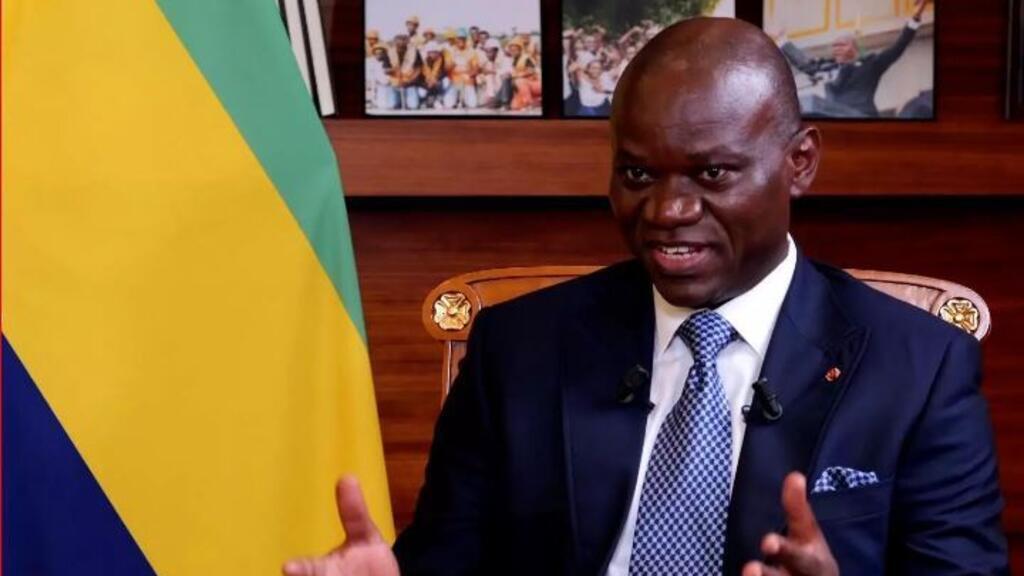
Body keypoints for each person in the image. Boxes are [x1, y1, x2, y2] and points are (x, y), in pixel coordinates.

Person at [285, 17, 1007, 575]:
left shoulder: (919, 368)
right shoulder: (519, 350)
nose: (667, 211)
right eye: (637, 175)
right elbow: (450, 560)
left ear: (799, 163)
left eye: (712, 174)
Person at [776, 0, 931, 118]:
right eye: (834, 46)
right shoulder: (826, 67)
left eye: (841, 45)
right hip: (832, 116)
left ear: (855, 48)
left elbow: (899, 46)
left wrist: (915, 17)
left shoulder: (871, 64)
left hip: (861, 116)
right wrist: (782, 41)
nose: (836, 49)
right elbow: (804, 63)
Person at [444, 29, 479, 109]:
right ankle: (456, 98)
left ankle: (462, 99)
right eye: (459, 38)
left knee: (472, 105)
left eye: (463, 38)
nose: (461, 40)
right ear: (455, 39)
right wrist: (453, 62)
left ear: (466, 39)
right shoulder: (450, 51)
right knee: (448, 104)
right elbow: (446, 68)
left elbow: (476, 69)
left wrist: (468, 75)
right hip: (453, 81)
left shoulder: (471, 51)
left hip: (467, 81)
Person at [387, 34, 422, 110]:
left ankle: (407, 99)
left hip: (410, 82)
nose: (401, 44)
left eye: (403, 42)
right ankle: (399, 100)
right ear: (395, 42)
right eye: (398, 43)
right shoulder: (389, 52)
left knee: (413, 106)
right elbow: (385, 69)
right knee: (391, 105)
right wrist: (392, 74)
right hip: (395, 82)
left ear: (407, 42)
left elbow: (418, 69)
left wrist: (409, 81)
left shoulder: (414, 51)